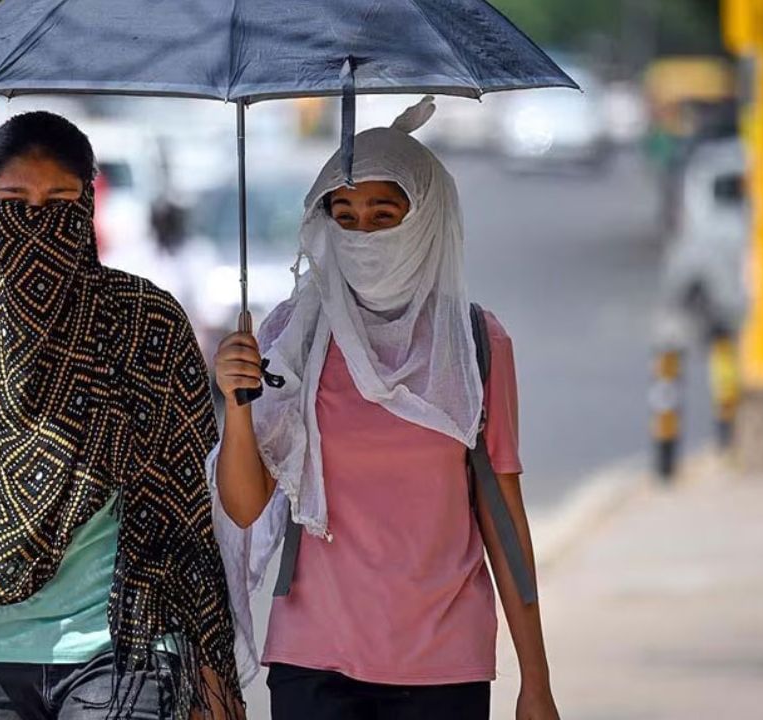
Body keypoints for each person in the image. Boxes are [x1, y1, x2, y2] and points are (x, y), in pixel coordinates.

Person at [0, 112, 242, 720]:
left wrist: (210, 670)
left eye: (59, 200)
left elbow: (184, 513)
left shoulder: (144, 325)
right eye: (16, 201)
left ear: (88, 205)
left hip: (120, 652)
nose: (38, 222)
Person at [209, 99, 560, 720]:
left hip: (442, 663)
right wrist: (239, 408)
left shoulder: (474, 344)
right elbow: (244, 504)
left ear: (422, 219)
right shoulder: (295, 336)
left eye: (382, 215)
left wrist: (537, 682)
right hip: (314, 660)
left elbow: (503, 514)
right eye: (343, 216)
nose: (362, 235)